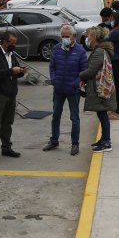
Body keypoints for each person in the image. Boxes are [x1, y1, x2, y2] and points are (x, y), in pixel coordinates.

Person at [44, 25, 87, 156]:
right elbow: (52, 66)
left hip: (73, 90)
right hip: (59, 89)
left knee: (74, 118)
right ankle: (54, 140)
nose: (64, 39)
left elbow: (84, 71)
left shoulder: (80, 51)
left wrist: (75, 83)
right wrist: (54, 80)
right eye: (62, 37)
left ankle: (75, 144)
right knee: (55, 116)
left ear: (73, 37)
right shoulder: (57, 49)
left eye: (67, 37)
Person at [0, 31, 26, 162]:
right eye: (12, 43)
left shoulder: (12, 54)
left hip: (11, 93)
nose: (13, 46)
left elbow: (14, 71)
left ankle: (6, 147)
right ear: (4, 42)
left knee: (8, 123)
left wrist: (20, 71)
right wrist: (11, 70)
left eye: (15, 44)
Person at [79, 26, 116, 153]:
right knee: (102, 114)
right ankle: (104, 139)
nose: (87, 38)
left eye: (88, 36)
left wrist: (79, 75)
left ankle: (106, 142)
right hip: (100, 87)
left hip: (99, 88)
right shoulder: (101, 50)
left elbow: (91, 71)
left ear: (94, 37)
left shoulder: (99, 51)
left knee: (102, 114)